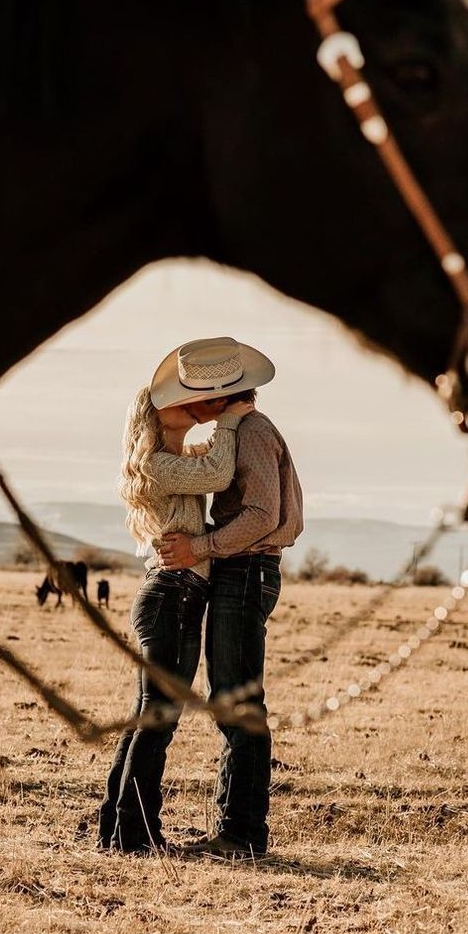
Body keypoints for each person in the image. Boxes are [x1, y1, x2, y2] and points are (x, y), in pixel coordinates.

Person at [156, 336, 304, 860]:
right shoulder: (241, 431)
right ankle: (236, 830)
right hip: (243, 572)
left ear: (223, 397)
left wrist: (200, 546)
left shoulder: (253, 433)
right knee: (233, 700)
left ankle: (241, 835)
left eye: (200, 396)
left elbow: (262, 516)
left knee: (238, 703)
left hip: (245, 570)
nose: (193, 406)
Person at [97, 373, 252, 854]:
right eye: (173, 401)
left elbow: (209, 467)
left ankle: (118, 831)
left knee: (149, 717)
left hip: (173, 596)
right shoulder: (156, 464)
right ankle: (136, 835)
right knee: (158, 720)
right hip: (173, 596)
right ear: (151, 413)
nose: (186, 404)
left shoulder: (172, 461)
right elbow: (220, 474)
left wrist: (218, 420)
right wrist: (230, 419)